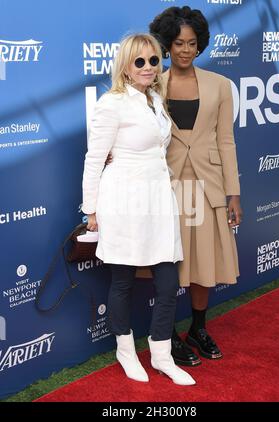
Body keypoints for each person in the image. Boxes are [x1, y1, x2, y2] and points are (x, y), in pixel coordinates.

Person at [81, 33, 195, 385]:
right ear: (126, 68)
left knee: (167, 281)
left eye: (153, 60)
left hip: (158, 200)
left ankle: (161, 355)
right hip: (124, 201)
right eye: (139, 62)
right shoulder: (112, 103)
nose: (148, 67)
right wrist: (92, 210)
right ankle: (126, 351)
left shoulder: (155, 99)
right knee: (123, 281)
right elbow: (95, 158)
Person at [149, 6, 242, 366]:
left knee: (203, 260)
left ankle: (198, 328)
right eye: (177, 43)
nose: (185, 50)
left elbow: (226, 141)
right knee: (170, 262)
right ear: (167, 45)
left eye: (191, 43)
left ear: (200, 44)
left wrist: (233, 192)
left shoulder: (220, 86)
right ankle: (168, 334)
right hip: (166, 184)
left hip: (208, 184)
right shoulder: (152, 83)